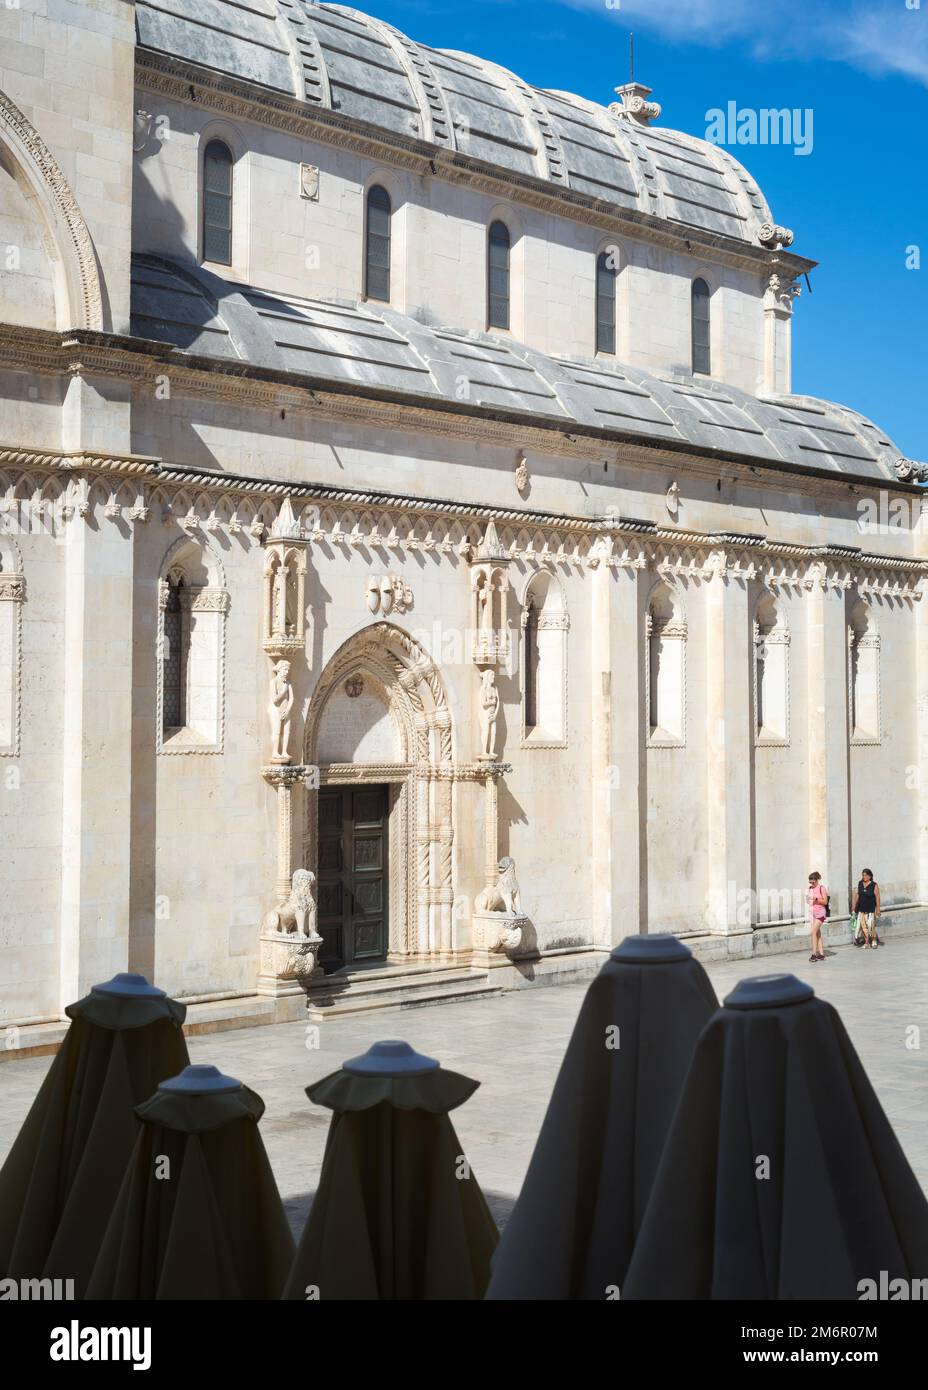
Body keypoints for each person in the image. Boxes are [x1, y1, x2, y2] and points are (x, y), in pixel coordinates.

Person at [853, 868, 881, 950]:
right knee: (863, 926)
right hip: (861, 909)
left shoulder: (874, 885)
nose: (864, 876)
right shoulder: (860, 883)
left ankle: (874, 940)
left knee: (871, 925)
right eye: (863, 875)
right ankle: (866, 942)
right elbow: (858, 895)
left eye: (866, 875)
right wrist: (854, 906)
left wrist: (878, 909)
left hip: (871, 909)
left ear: (870, 876)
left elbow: (877, 897)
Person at [807, 871, 829, 963]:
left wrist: (816, 899)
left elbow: (825, 902)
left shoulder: (822, 888)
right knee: (817, 934)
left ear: (817, 880)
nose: (811, 883)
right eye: (810, 882)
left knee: (813, 932)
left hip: (821, 913)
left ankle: (814, 954)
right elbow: (809, 900)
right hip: (813, 914)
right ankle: (821, 954)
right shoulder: (810, 888)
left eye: (813, 882)